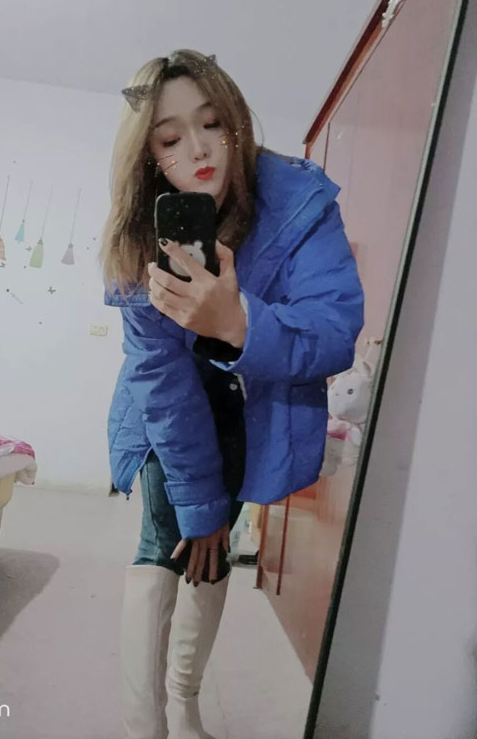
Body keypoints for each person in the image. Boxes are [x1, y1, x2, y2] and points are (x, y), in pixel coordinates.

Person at [100, 49, 364, 739]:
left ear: (237, 122)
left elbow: (335, 331)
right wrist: (200, 504)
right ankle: (144, 725)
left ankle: (184, 702)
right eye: (169, 137)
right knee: (171, 538)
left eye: (212, 123)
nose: (197, 149)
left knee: (215, 550)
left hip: (259, 407)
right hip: (170, 411)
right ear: (150, 156)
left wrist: (236, 322)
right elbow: (160, 375)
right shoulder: (140, 229)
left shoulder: (298, 201)